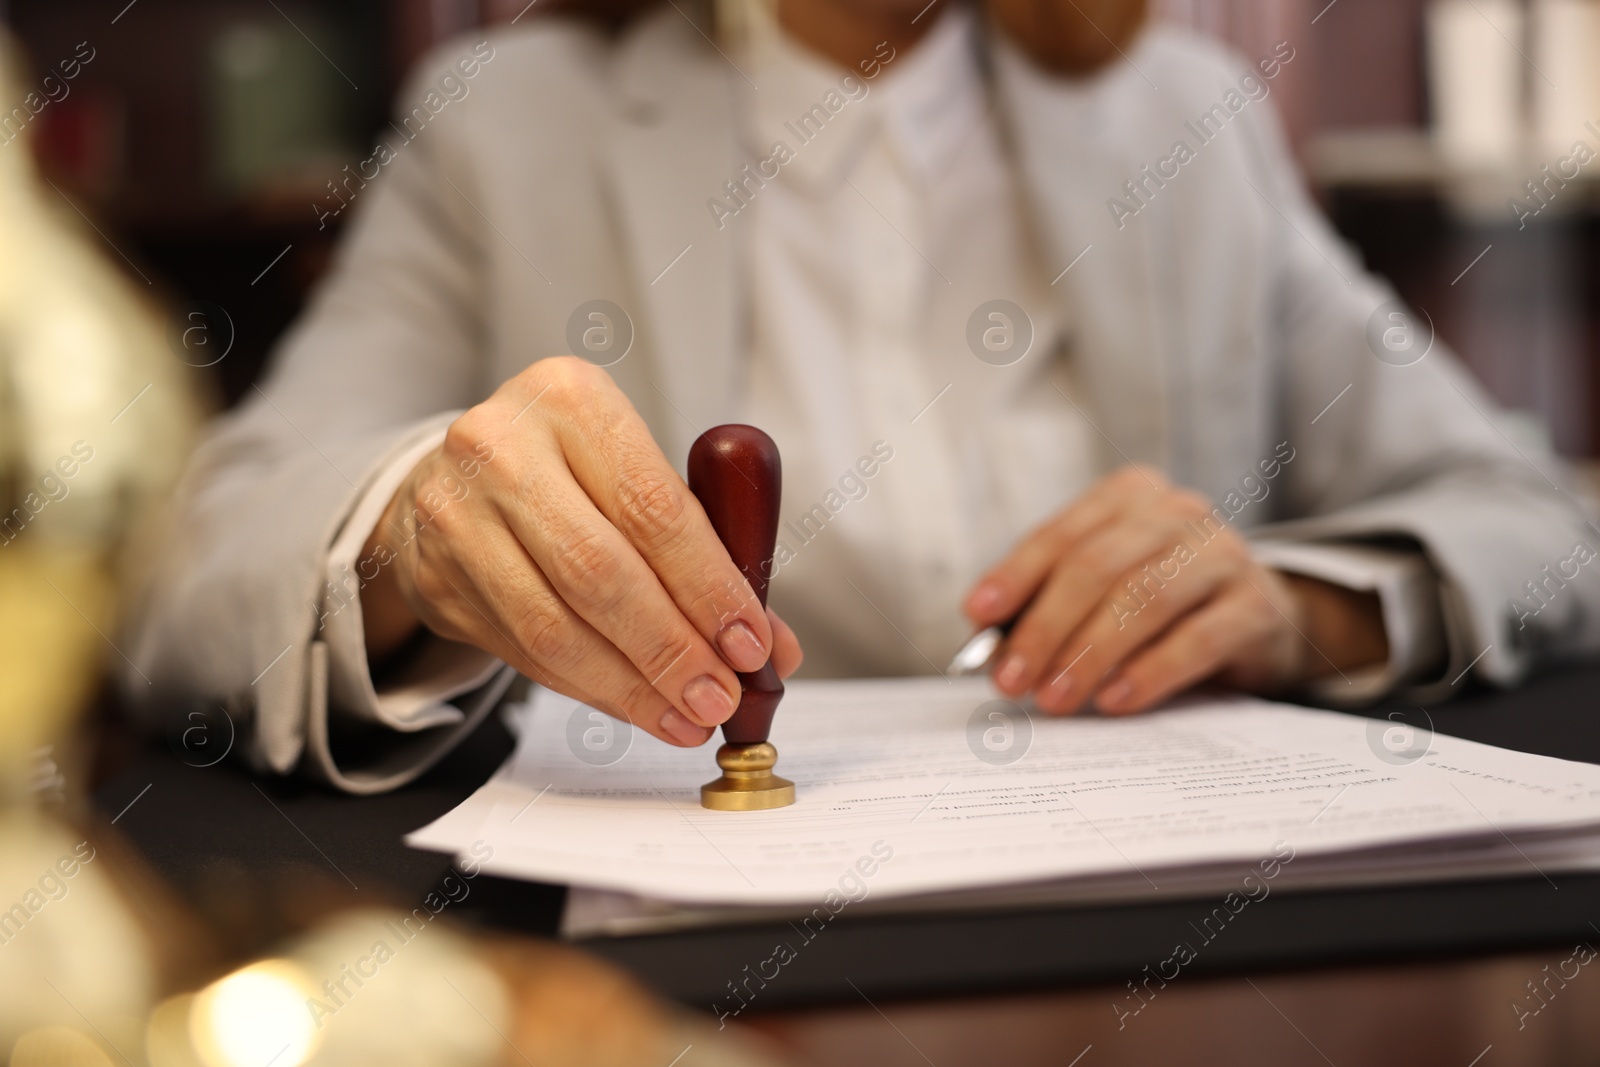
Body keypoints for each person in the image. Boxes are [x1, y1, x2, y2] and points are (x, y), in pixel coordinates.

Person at [126, 0, 1600, 792]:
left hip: (1133, 947)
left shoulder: (1189, 125)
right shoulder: (502, 126)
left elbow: (1534, 517)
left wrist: (1299, 608)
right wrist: (412, 539)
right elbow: (193, 576)